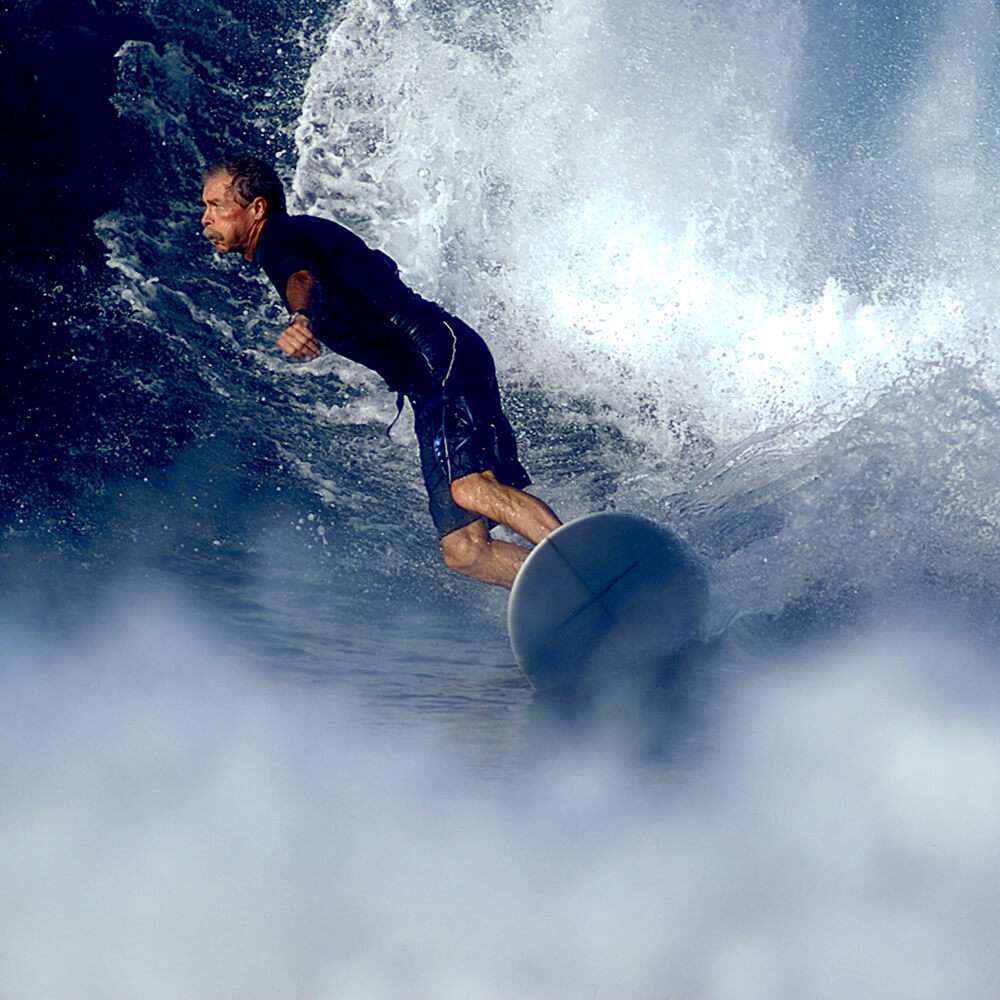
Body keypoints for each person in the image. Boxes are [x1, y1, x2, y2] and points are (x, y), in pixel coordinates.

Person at [200, 155, 561, 588]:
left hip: (437, 358)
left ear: (256, 207)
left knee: (469, 488)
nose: (206, 219)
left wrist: (300, 319)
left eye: (216, 205)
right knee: (464, 551)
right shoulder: (304, 235)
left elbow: (302, 278)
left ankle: (583, 562)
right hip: (429, 379)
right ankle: (564, 589)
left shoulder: (281, 236)